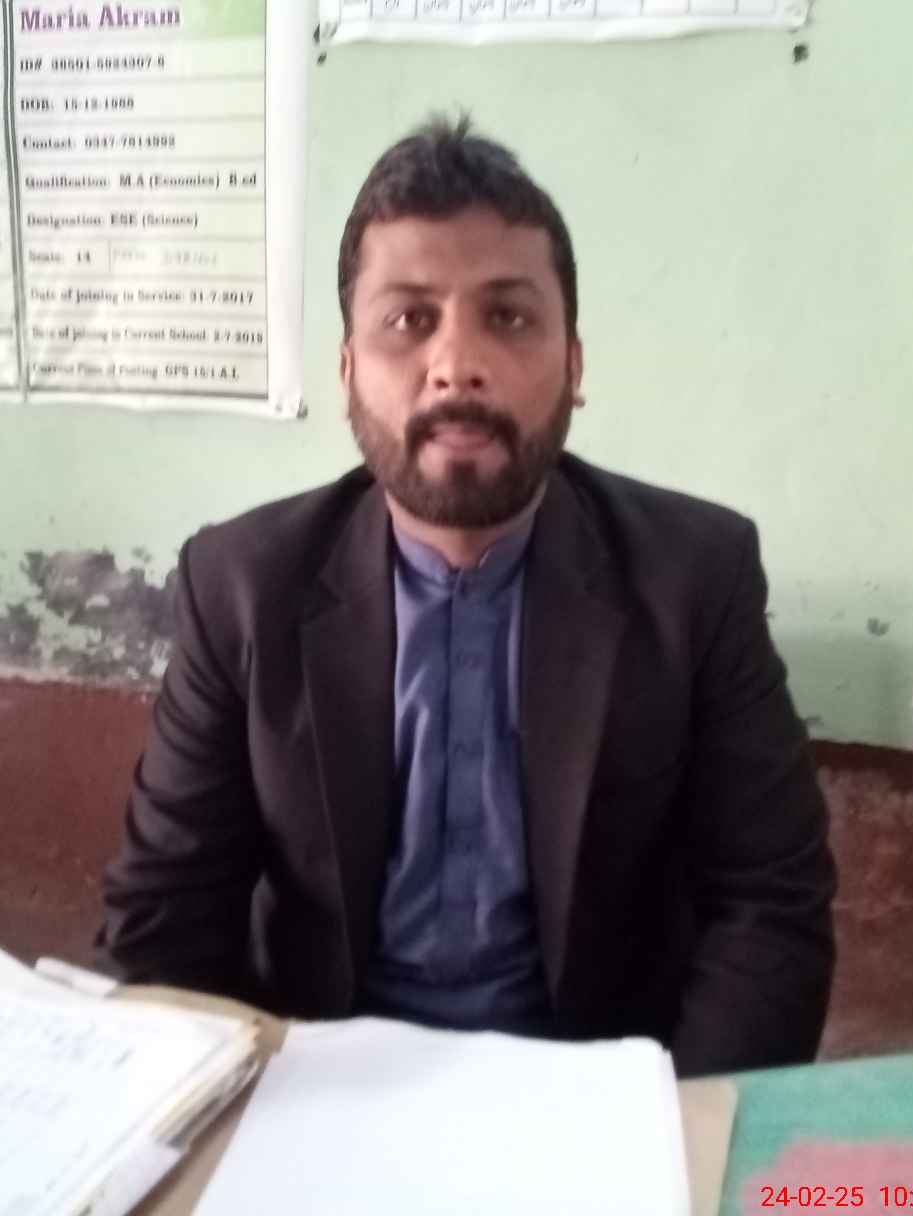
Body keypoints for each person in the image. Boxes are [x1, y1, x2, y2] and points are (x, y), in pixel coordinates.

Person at [98, 116, 836, 1077]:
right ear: (348, 371)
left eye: (509, 317)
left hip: (596, 1089)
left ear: (574, 365)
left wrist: (679, 1127)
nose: (456, 365)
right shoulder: (240, 585)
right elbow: (165, 914)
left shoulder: (695, 577)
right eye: (408, 320)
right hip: (320, 1087)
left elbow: (770, 906)